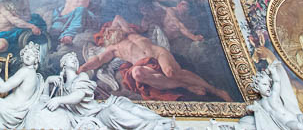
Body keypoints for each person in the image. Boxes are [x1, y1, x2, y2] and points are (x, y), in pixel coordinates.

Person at [80, 16, 226, 99]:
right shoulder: (112, 48)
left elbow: (118, 18)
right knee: (136, 73)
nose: (109, 31)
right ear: (106, 39)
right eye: (106, 33)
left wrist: (112, 27)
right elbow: (98, 60)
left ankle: (216, 90)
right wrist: (82, 68)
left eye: (110, 29)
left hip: (158, 53)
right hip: (144, 65)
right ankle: (185, 85)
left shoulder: (128, 32)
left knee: (170, 71)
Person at [30, 51, 175, 130]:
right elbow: (43, 101)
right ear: (63, 64)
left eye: (75, 59)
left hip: (100, 109)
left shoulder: (81, 78)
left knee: (130, 107)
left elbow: (78, 95)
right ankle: (156, 127)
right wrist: (48, 81)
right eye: (70, 59)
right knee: (116, 111)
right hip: (99, 116)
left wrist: (59, 100)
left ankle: (161, 122)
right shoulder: (60, 85)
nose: (74, 60)